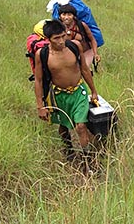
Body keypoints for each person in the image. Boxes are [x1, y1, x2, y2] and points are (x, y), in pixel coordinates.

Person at [34, 19, 99, 162]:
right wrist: (40, 106)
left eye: (63, 36)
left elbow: (84, 69)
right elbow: (38, 81)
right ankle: (68, 150)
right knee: (63, 126)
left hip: (78, 92)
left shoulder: (74, 46)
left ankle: (87, 161)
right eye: (56, 38)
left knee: (81, 126)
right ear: (48, 39)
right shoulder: (42, 55)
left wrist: (93, 91)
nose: (61, 41)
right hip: (59, 95)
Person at [58, 4, 100, 71]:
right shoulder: (57, 28)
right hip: (68, 55)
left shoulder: (81, 25)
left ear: (74, 16)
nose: (66, 17)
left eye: (69, 15)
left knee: (85, 69)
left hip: (86, 52)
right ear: (59, 16)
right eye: (64, 15)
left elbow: (92, 39)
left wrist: (95, 54)